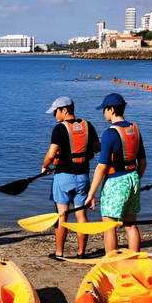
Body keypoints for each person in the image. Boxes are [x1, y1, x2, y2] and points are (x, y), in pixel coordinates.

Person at [84, 93, 147, 253]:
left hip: (115, 182)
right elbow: (143, 162)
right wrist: (135, 180)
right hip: (133, 179)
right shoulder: (135, 129)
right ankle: (134, 262)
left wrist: (91, 194)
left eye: (104, 109)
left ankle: (111, 264)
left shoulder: (109, 133)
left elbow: (101, 167)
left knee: (109, 226)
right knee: (131, 225)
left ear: (111, 110)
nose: (103, 113)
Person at [41, 97, 100, 259]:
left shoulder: (59, 129)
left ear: (64, 110)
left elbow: (51, 154)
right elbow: (97, 148)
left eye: (55, 111)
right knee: (81, 216)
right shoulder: (88, 125)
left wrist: (45, 166)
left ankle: (59, 253)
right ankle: (81, 252)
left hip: (63, 178)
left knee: (61, 215)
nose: (54, 115)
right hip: (83, 178)